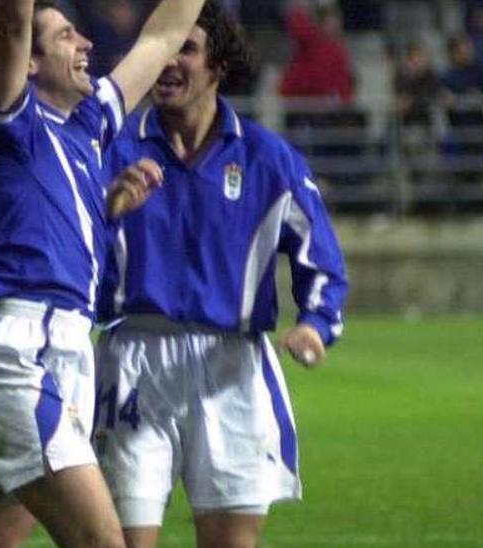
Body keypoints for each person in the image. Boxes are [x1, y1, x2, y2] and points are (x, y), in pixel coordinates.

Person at [0, 0, 206, 545]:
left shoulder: (88, 123)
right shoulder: (8, 117)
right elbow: (14, 20)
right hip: (22, 348)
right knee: (103, 541)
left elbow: (162, 37)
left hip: (62, 346)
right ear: (27, 63)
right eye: (65, 36)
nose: (86, 43)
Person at [94, 3, 347, 546]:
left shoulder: (267, 158)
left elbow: (320, 256)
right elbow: (72, 252)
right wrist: (106, 212)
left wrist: (316, 324)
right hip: (135, 361)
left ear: (219, 66)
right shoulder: (113, 152)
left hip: (233, 367)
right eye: (164, 47)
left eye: (186, 48)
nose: (168, 61)